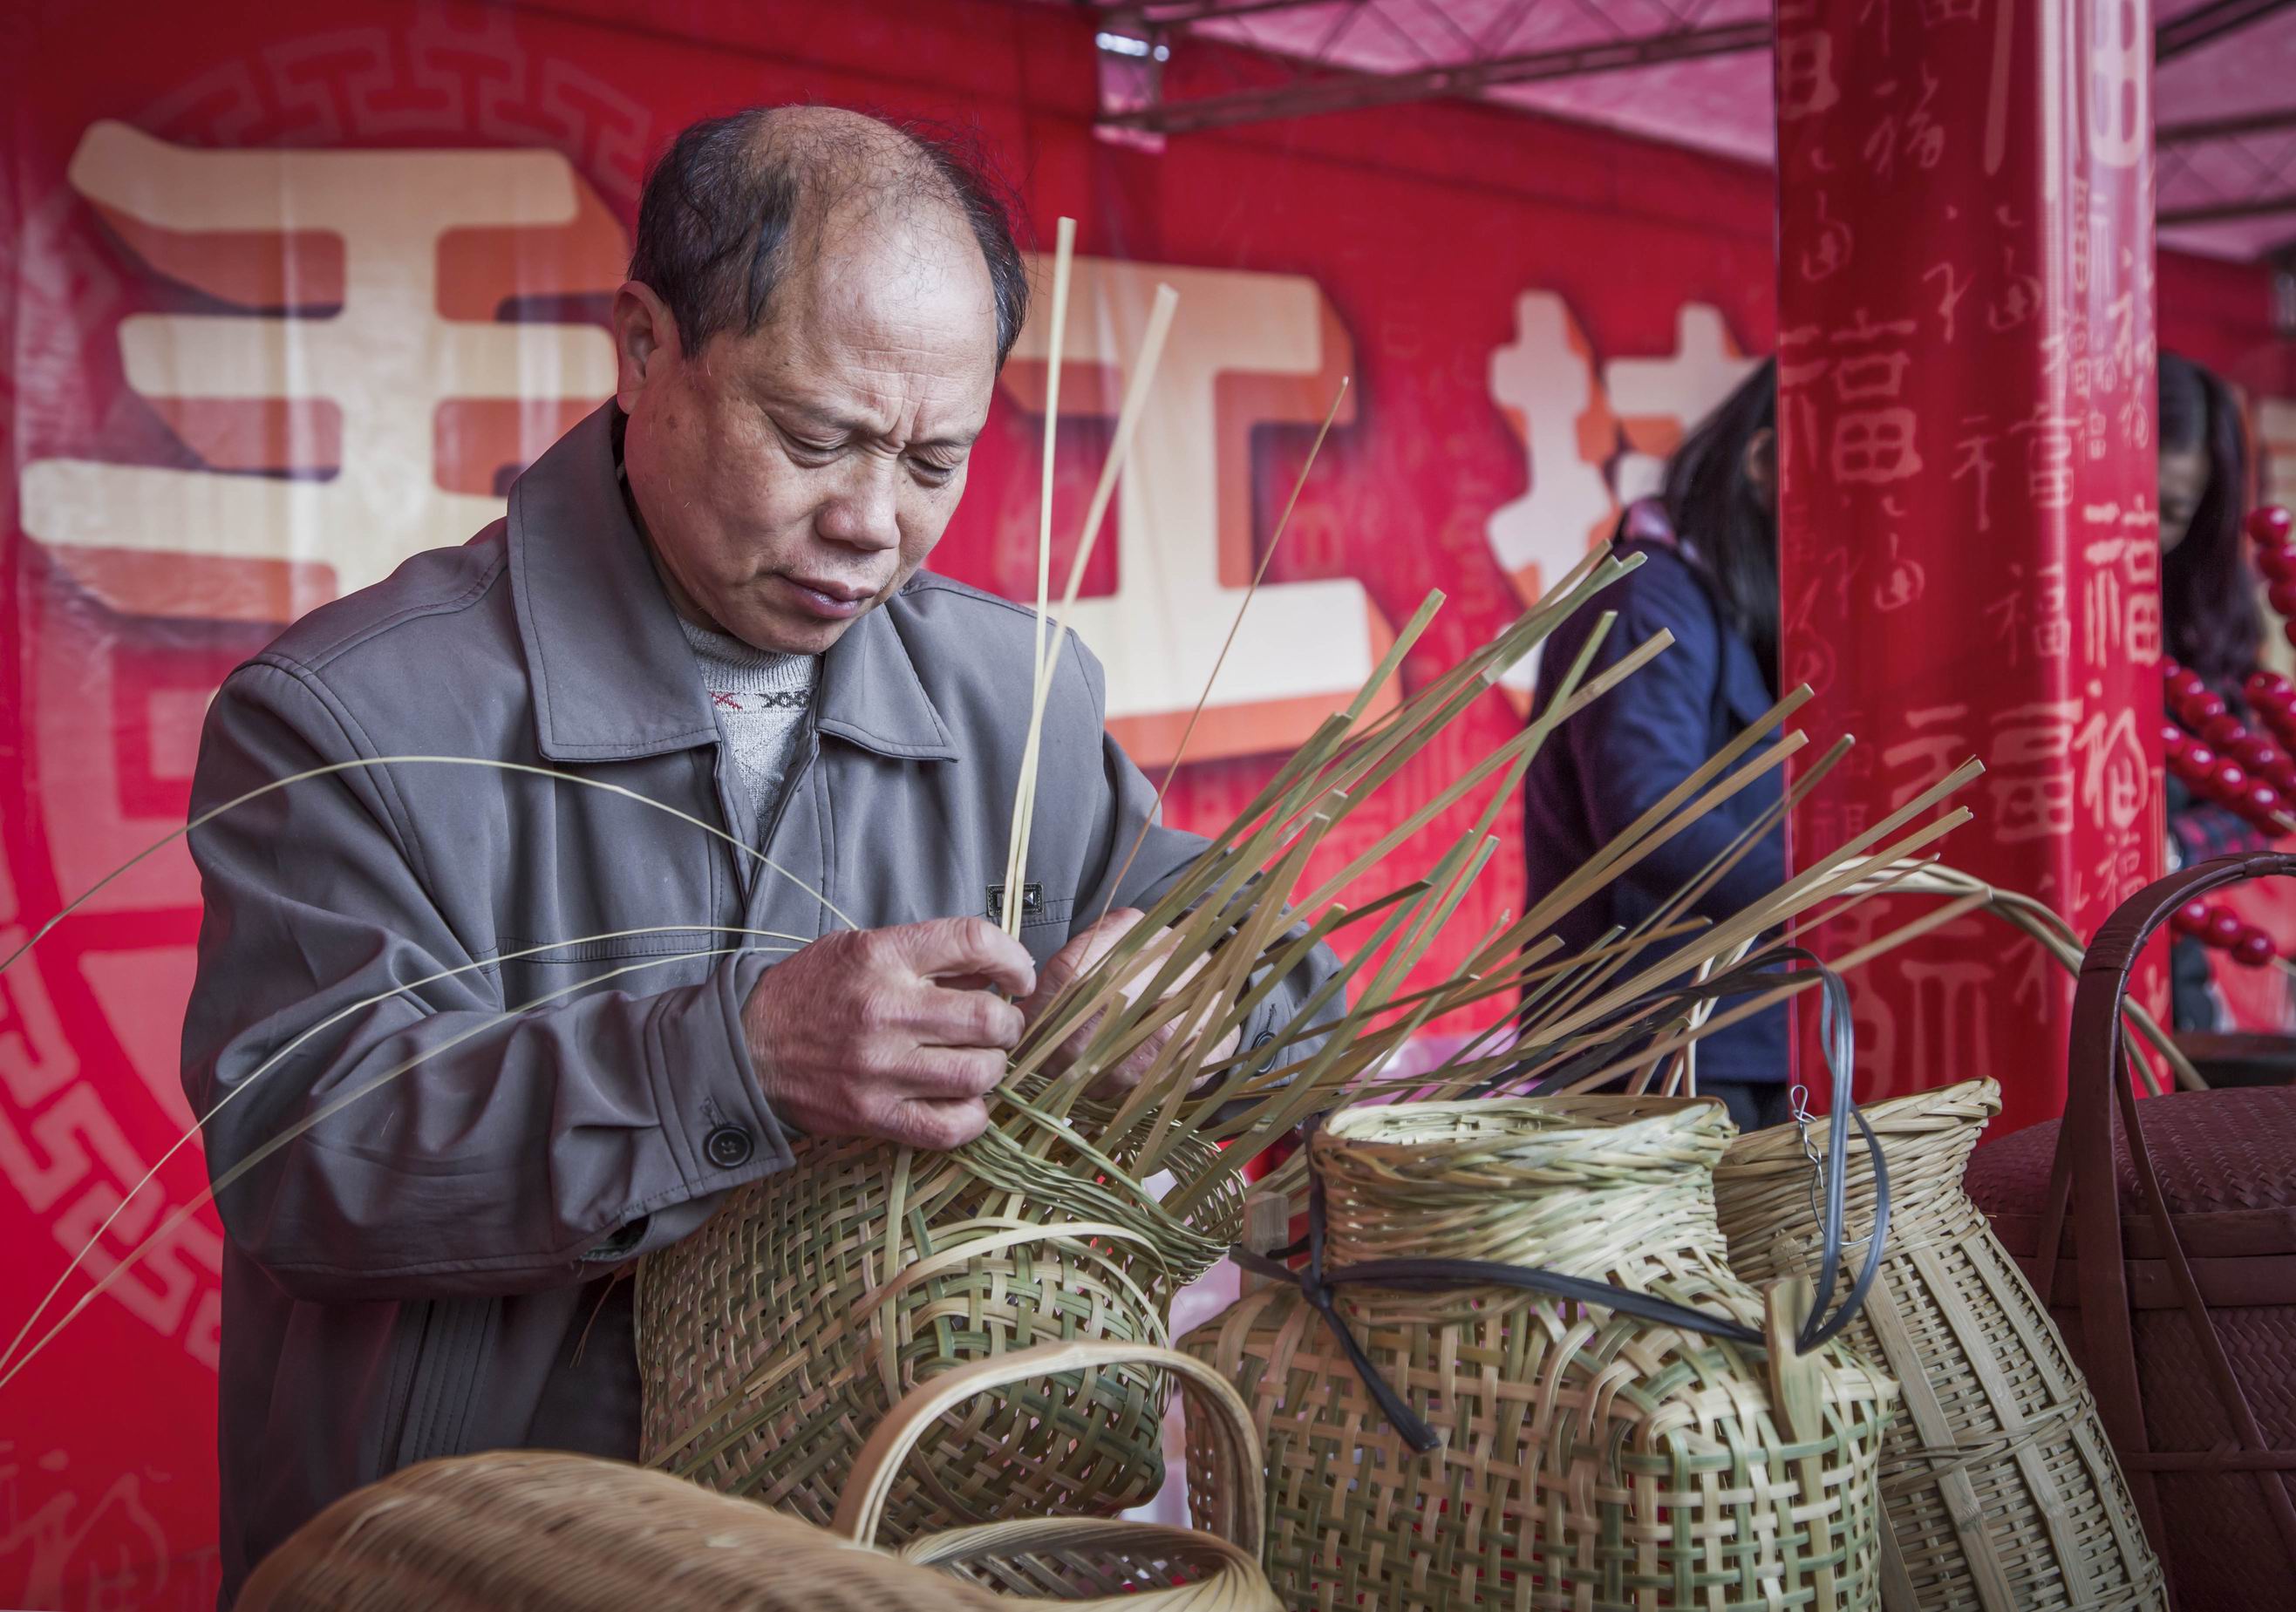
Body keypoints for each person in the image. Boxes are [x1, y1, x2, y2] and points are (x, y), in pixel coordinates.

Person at [181, 106, 1336, 1598]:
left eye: (934, 459)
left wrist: (1202, 994)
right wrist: (732, 1060)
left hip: (895, 1547)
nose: (869, 523)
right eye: (812, 438)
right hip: (496, 1557)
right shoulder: (358, 712)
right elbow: (304, 1155)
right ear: (644, 345)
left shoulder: (1008, 696)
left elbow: (1277, 974)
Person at [1521, 360, 1788, 1134]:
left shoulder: (1720, 601)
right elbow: (1649, 814)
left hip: (1740, 1030)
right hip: (1660, 1040)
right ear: (1763, 461)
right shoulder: (1647, 598)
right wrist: (1837, 898)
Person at [2160, 350, 2266, 1029]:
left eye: (2169, 512)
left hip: (2171, 965)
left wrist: (2171, 847)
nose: (2139, 535)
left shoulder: (2202, 622)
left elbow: (2249, 799)